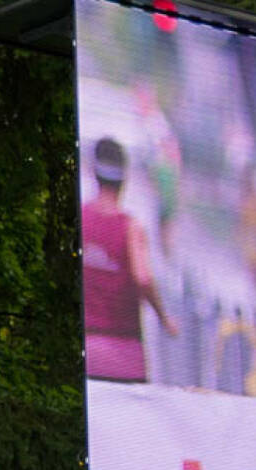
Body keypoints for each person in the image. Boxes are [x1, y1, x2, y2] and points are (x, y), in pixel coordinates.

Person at [81, 137, 177, 381]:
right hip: (125, 356)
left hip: (86, 350)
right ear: (124, 179)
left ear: (95, 174)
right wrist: (164, 319)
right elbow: (143, 278)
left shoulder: (80, 219)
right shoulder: (130, 227)